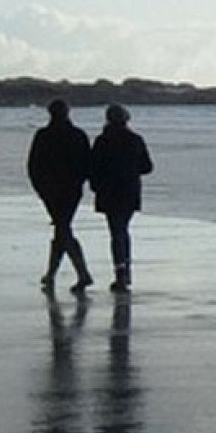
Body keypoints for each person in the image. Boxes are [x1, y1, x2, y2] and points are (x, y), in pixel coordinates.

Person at [28, 99, 94, 291]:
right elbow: (87, 164)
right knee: (62, 229)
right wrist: (81, 182)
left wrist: (39, 188)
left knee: (62, 228)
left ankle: (79, 274)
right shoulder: (78, 135)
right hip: (71, 189)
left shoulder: (43, 135)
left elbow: (34, 165)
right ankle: (56, 274)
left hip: (51, 189)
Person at [88, 104, 153, 292]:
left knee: (116, 231)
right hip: (129, 190)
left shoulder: (102, 141)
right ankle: (125, 270)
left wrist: (96, 184)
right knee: (122, 230)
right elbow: (147, 167)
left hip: (108, 191)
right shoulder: (135, 139)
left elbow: (93, 167)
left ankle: (121, 272)